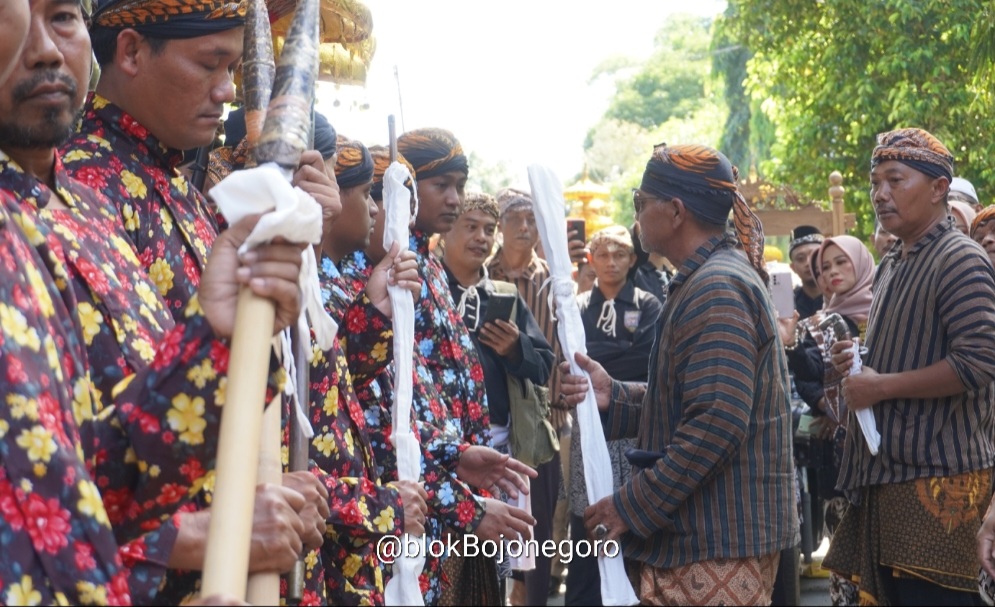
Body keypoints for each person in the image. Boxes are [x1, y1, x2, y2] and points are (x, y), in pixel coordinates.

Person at [0, 0, 310, 601]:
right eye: (12, 16)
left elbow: (65, 484)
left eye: (63, 17)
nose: (44, 50)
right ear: (132, 52)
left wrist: (209, 349)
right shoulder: (88, 184)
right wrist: (179, 544)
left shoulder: (61, 217)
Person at [560, 143, 797, 606]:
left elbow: (716, 422)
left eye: (639, 202)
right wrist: (617, 396)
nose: (636, 215)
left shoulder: (717, 287)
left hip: (718, 541)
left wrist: (631, 506)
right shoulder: (706, 278)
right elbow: (699, 400)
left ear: (674, 211)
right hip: (708, 538)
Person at [826, 128, 995, 606]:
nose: (880, 194)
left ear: (939, 188)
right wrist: (859, 361)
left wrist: (880, 387)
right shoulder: (895, 261)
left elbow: (978, 362)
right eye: (875, 182)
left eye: (895, 180)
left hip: (941, 488)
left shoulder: (959, 257)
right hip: (893, 482)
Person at [396, 128, 536, 605]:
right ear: (405, 187)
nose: (454, 199)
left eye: (461, 184)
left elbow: (545, 365)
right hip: (433, 491)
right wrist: (454, 486)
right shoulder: (396, 267)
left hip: (462, 473)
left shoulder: (428, 264)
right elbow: (400, 408)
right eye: (442, 186)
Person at [441, 192, 555, 604]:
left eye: (488, 229)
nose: (482, 237)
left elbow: (544, 365)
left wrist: (515, 349)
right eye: (470, 226)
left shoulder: (503, 296)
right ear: (444, 232)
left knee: (495, 569)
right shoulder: (427, 288)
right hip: (443, 455)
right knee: (444, 565)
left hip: (497, 450)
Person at [566, 225, 662, 606]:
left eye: (619, 254)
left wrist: (600, 360)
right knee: (586, 521)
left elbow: (646, 359)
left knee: (630, 521)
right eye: (602, 255)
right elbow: (573, 359)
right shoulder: (575, 308)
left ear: (632, 259)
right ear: (590, 260)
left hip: (633, 425)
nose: (611, 262)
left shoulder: (649, 305)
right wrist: (611, 357)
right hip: (588, 427)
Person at [779, 236, 875, 607]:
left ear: (861, 263)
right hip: (843, 453)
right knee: (846, 558)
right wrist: (827, 405)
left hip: (895, 450)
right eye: (823, 269)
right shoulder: (819, 323)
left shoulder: (889, 309)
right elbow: (809, 372)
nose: (831, 273)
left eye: (841, 263)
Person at [486, 187, 566, 606]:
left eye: (532, 219)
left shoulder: (556, 284)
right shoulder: (479, 274)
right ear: (500, 225)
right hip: (491, 427)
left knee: (537, 532)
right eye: (514, 218)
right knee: (490, 535)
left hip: (544, 425)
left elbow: (564, 356)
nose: (523, 227)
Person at [788, 225, 824, 320]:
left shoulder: (840, 299)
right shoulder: (788, 303)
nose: (808, 262)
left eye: (814, 255)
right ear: (793, 267)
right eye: (800, 259)